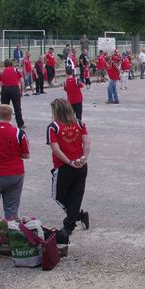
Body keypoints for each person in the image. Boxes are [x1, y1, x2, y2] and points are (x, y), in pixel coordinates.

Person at [46, 98, 90, 245]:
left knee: (58, 196)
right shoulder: (79, 123)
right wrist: (84, 158)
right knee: (75, 195)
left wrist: (69, 162)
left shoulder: (53, 126)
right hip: (81, 164)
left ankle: (70, 224)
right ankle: (75, 217)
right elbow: (87, 142)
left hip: (64, 166)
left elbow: (55, 148)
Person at [0, 59, 25, 129]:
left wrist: (3, 89)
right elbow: (22, 81)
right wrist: (21, 91)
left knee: (4, 107)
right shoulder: (16, 70)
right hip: (14, 89)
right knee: (17, 107)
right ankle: (20, 124)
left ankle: (3, 122)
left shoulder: (2, 71)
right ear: (11, 64)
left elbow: (0, 83)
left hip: (5, 89)